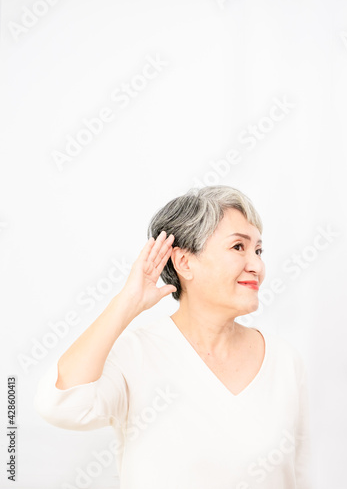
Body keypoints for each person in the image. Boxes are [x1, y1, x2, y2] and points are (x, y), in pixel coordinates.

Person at [34, 184, 312, 488]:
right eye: (238, 247)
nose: (257, 265)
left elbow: (299, 475)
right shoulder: (135, 354)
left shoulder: (283, 359)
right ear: (184, 262)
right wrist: (126, 304)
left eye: (258, 250)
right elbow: (61, 405)